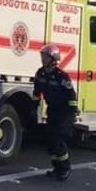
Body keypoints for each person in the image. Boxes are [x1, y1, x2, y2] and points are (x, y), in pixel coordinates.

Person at [33, 43, 78, 181]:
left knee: (58, 140)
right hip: (52, 110)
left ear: (53, 58)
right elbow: (37, 92)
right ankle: (56, 167)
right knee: (50, 140)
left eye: (45, 56)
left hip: (64, 112)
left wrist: (71, 115)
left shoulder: (61, 76)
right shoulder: (40, 73)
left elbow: (71, 96)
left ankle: (65, 167)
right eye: (42, 56)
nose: (42, 59)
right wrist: (33, 108)